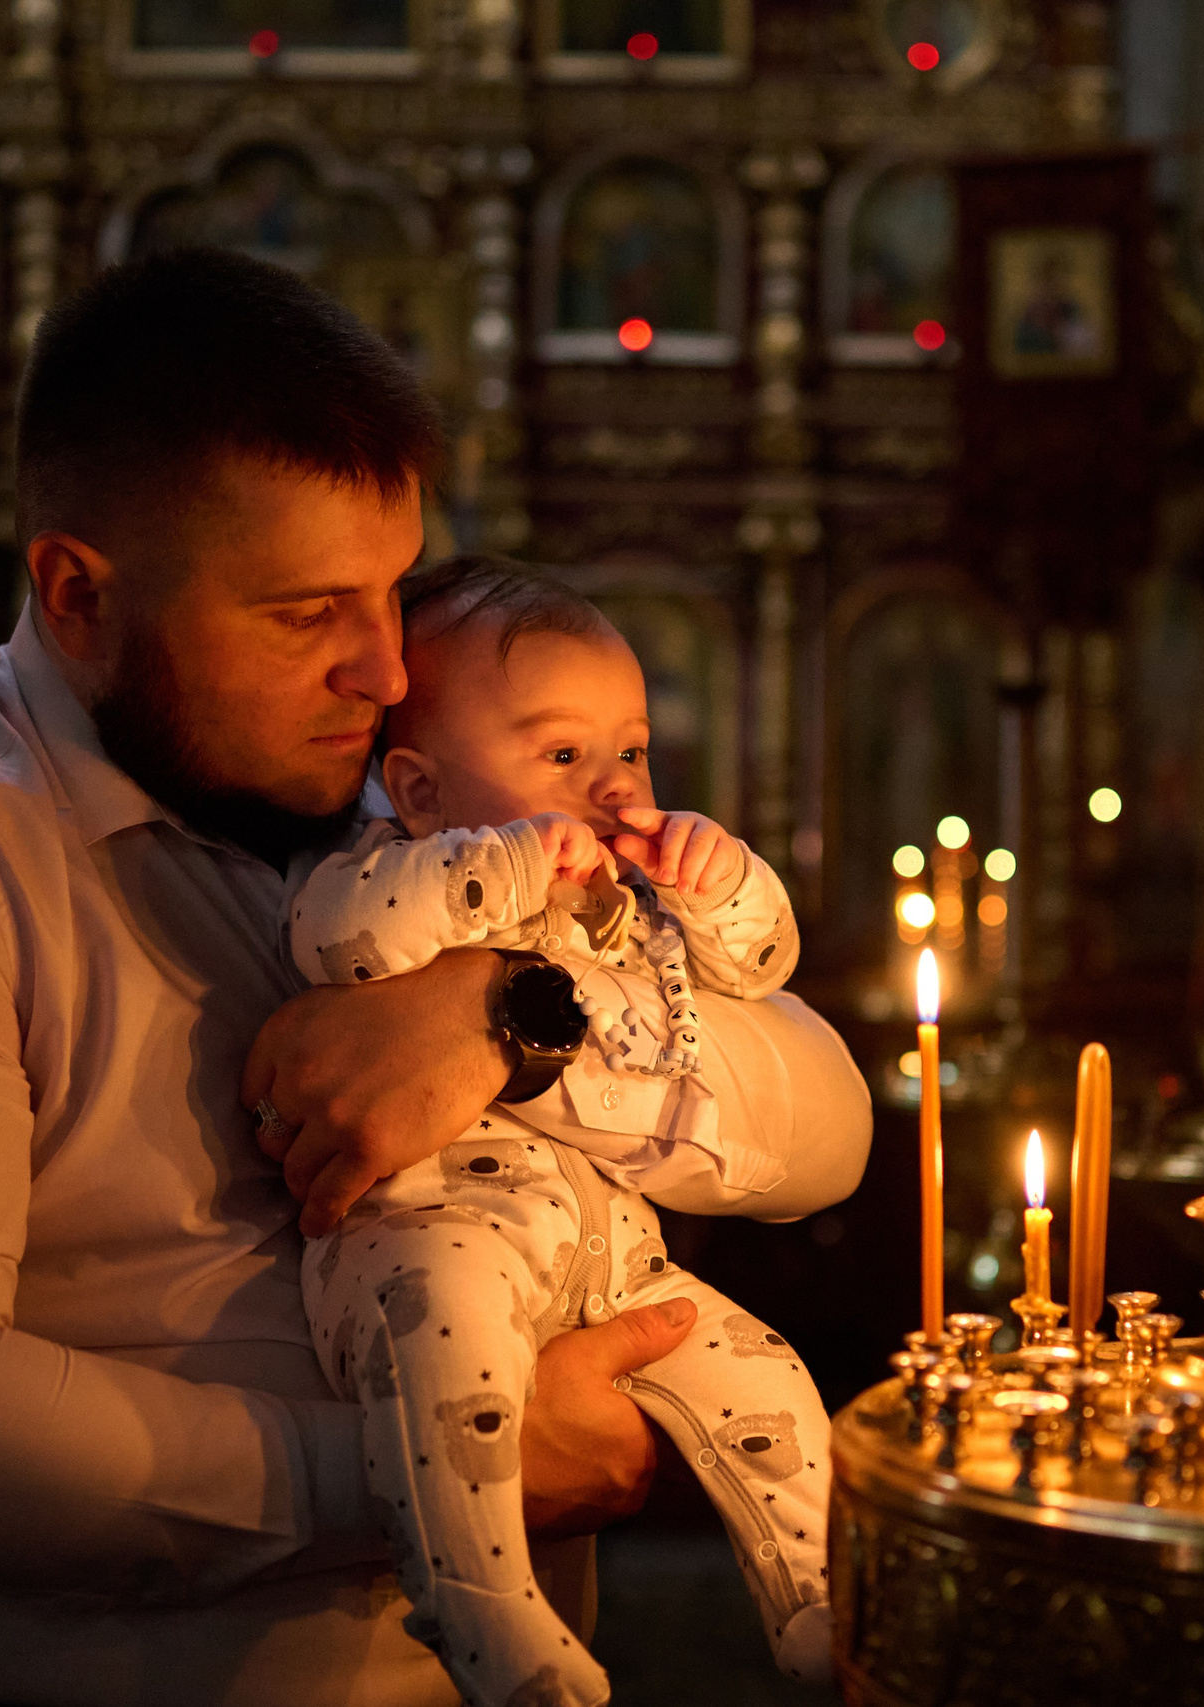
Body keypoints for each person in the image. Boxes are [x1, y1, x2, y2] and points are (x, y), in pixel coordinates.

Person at [0, 247, 872, 1706]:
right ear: (77, 590)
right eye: (307, 612)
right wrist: (431, 1471)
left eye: (393, 592)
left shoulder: (411, 807)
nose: (382, 671)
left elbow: (823, 1121)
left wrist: (508, 1022)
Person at [288, 557, 830, 1707]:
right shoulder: (392, 869)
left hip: (608, 1256)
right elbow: (343, 943)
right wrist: (508, 865)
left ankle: (816, 1602)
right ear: (421, 790)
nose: (615, 788)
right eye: (564, 756)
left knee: (765, 1379)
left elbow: (762, 968)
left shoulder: (625, 905)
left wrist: (721, 878)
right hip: (430, 1238)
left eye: (629, 751)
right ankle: (478, 1608)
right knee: (451, 1356)